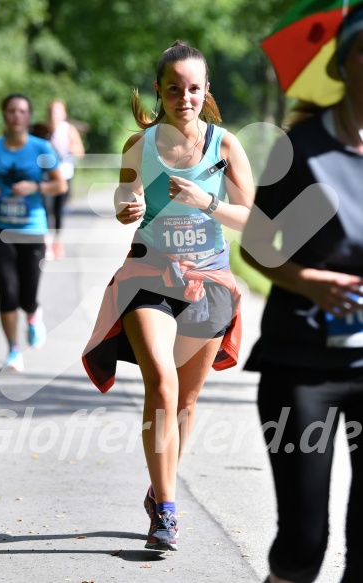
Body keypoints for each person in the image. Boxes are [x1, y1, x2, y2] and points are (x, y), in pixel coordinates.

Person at [82, 40, 254, 551]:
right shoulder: (140, 143)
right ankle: (169, 512)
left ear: (206, 91)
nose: (185, 97)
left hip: (208, 282)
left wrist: (208, 202)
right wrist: (124, 207)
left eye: (194, 88)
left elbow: (255, 220)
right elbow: (124, 191)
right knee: (161, 383)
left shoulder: (225, 145)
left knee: (187, 399)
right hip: (150, 274)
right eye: (174, 88)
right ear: (159, 89)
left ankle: (160, 492)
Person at [241, 6, 363, 583]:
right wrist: (306, 279)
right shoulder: (302, 148)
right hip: (302, 365)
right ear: (345, 63)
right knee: (302, 543)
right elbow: (256, 246)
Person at [0, 94, 67, 372]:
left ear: (29, 116)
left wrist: (35, 188)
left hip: (31, 230)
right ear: (5, 115)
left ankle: (33, 314)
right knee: (8, 291)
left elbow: (60, 185)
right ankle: (13, 350)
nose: (17, 116)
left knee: (27, 295)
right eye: (12, 111)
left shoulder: (41, 148)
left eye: (23, 111)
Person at [44, 100, 85, 259]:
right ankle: (47, 245)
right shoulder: (43, 129)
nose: (54, 114)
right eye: (52, 111)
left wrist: (67, 147)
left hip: (64, 176)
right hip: (46, 177)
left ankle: (57, 244)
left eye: (58, 111)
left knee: (58, 211)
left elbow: (80, 152)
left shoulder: (68, 129)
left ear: (64, 114)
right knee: (46, 209)